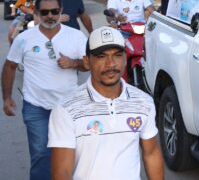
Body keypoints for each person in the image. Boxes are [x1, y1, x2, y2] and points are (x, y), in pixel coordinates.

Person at [48, 27, 163, 180]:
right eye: (101, 56)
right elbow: (62, 172)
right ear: (87, 62)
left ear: (124, 58)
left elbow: (152, 153)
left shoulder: (143, 102)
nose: (111, 64)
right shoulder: (65, 109)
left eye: (117, 55)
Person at [2, 0, 88, 180]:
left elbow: (89, 64)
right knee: (41, 155)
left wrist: (73, 63)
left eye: (54, 11)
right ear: (36, 12)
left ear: (61, 11)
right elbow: (9, 66)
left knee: (71, 153)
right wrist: (7, 98)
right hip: (36, 107)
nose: (50, 16)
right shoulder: (24, 38)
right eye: (45, 12)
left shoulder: (75, 36)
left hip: (69, 107)